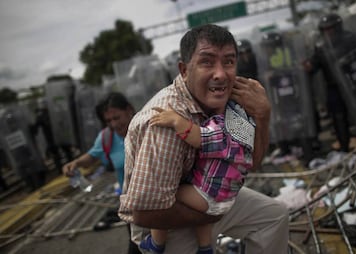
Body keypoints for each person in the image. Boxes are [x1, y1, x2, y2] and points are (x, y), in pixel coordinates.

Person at [118, 24, 289, 254]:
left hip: (207, 193)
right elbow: (146, 212)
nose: (220, 74)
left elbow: (248, 163)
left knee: (274, 217)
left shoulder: (228, 103)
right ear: (184, 70)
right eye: (207, 61)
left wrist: (263, 115)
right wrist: (212, 212)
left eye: (228, 62)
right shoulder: (165, 122)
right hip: (163, 222)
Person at [139, 99, 255, 254]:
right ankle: (205, 247)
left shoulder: (221, 127)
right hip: (226, 198)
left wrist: (176, 120)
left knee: (162, 196)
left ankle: (156, 243)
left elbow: (201, 138)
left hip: (207, 197)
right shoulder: (245, 130)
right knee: (203, 214)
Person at [62, 92, 141, 254]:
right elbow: (91, 156)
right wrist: (75, 163)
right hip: (132, 208)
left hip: (161, 203)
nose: (113, 124)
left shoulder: (147, 128)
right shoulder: (107, 137)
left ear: (129, 110)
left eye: (117, 118)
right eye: (108, 121)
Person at [303, 13, 356, 152]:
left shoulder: (350, 39)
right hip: (334, 86)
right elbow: (314, 65)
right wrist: (307, 66)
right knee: (338, 117)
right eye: (325, 29)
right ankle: (344, 147)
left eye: (331, 28)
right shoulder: (321, 47)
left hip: (354, 82)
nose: (329, 32)